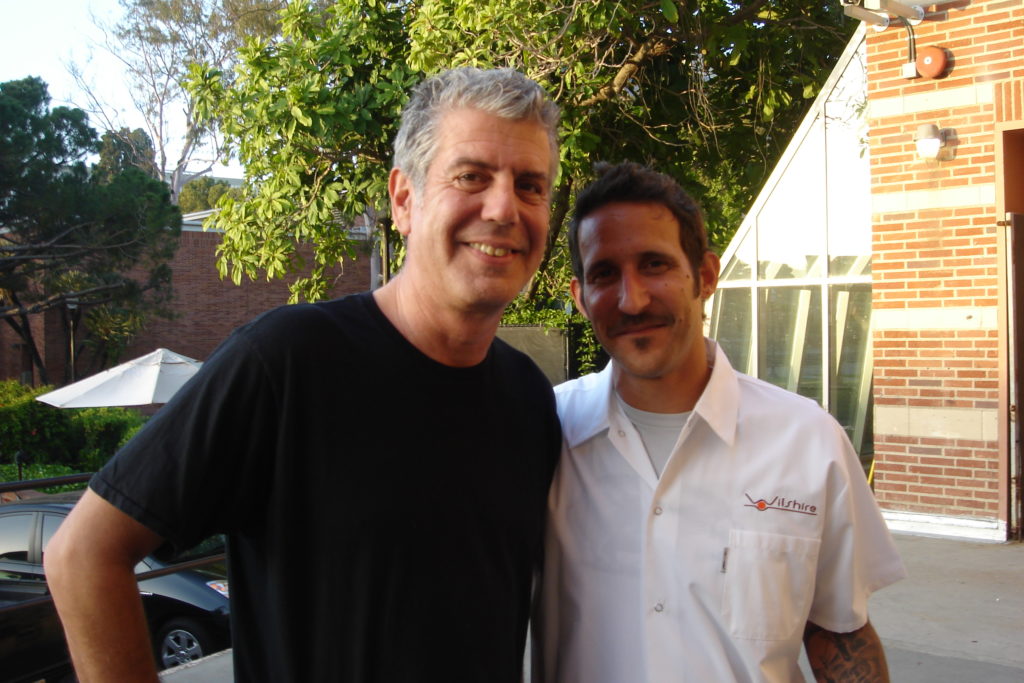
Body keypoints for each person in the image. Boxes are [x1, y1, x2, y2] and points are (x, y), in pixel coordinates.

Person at [44, 67, 563, 683]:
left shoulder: (529, 398)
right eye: (472, 176)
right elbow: (82, 555)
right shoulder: (286, 362)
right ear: (404, 200)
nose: (504, 208)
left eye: (530, 186)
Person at [535, 162, 906, 682]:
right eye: (604, 274)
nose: (632, 299)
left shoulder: (807, 441)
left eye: (655, 265)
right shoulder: (544, 434)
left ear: (705, 276)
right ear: (579, 297)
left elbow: (841, 631)